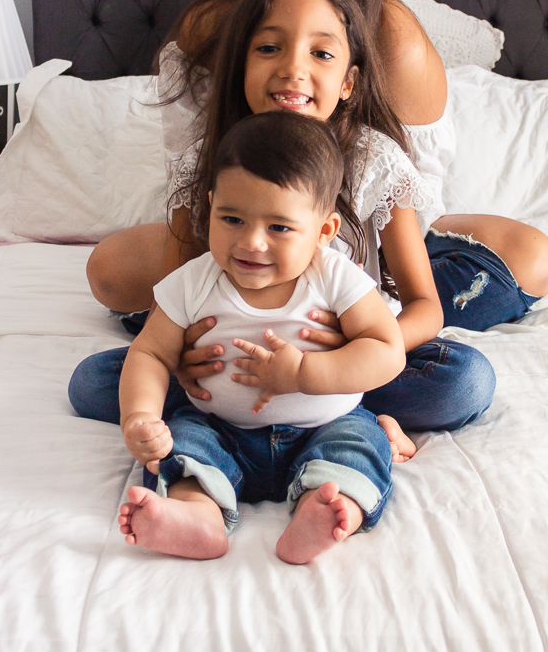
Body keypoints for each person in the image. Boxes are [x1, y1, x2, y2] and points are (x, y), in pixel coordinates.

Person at [71, 0, 494, 461]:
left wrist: (345, 361)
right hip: (232, 363)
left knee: (464, 381)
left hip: (346, 366)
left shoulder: (375, 163)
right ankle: (241, 417)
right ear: (241, 64)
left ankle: (347, 413)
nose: (294, 69)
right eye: (269, 48)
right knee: (94, 383)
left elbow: (426, 307)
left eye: (321, 53)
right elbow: (173, 298)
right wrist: (178, 359)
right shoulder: (205, 162)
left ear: (349, 82)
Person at [118, 110, 404, 564]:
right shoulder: (194, 281)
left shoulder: (334, 277)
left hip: (323, 426)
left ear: (323, 232)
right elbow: (150, 352)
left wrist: (306, 372)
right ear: (210, 205)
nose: (251, 242)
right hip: (221, 428)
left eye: (279, 227)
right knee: (187, 444)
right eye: (231, 219)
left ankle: (324, 511)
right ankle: (197, 517)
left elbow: (388, 351)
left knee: (358, 445)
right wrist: (140, 416)